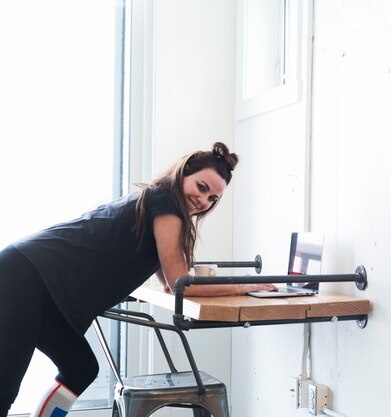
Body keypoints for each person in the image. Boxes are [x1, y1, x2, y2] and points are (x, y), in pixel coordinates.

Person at [0, 142, 276, 416]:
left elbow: (171, 283)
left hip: (42, 287)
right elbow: (181, 282)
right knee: (4, 388)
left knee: (80, 368)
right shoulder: (166, 202)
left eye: (212, 199)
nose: (203, 201)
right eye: (202, 188)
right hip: (25, 276)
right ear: (183, 173)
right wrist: (243, 285)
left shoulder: (160, 202)